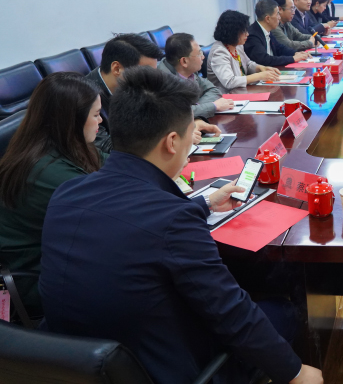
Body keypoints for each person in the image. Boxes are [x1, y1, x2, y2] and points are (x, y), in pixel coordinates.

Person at [39, 67, 322, 384]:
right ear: (172, 142)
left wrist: (204, 204)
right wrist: (295, 372)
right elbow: (231, 312)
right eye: (191, 134)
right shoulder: (174, 220)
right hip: (163, 369)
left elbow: (136, 225)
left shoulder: (66, 194)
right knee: (283, 311)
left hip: (75, 366)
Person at [0, 73, 105, 316]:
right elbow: (110, 218)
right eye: (96, 114)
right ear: (72, 120)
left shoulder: (66, 145)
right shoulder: (48, 174)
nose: (101, 120)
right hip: (37, 278)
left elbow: (116, 165)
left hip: (65, 256)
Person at [85, 33, 164, 153]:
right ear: (117, 69)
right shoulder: (84, 99)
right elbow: (107, 149)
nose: (150, 79)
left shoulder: (132, 86)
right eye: (146, 73)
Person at [158, 32, 235, 117]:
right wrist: (213, 106)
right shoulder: (162, 82)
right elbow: (180, 114)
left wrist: (198, 108)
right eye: (199, 54)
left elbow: (213, 90)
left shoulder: (190, 71)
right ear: (184, 61)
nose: (203, 57)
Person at [208, 10, 282, 93]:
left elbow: (247, 64)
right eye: (244, 31)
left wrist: (261, 68)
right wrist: (259, 76)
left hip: (241, 92)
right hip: (224, 96)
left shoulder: (237, 45)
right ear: (233, 31)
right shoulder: (219, 52)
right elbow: (229, 82)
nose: (247, 34)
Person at [245, 0, 309, 67]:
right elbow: (265, 59)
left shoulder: (267, 30)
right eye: (277, 14)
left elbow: (280, 48)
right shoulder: (253, 35)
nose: (279, 17)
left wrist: (296, 53)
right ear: (268, 19)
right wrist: (293, 58)